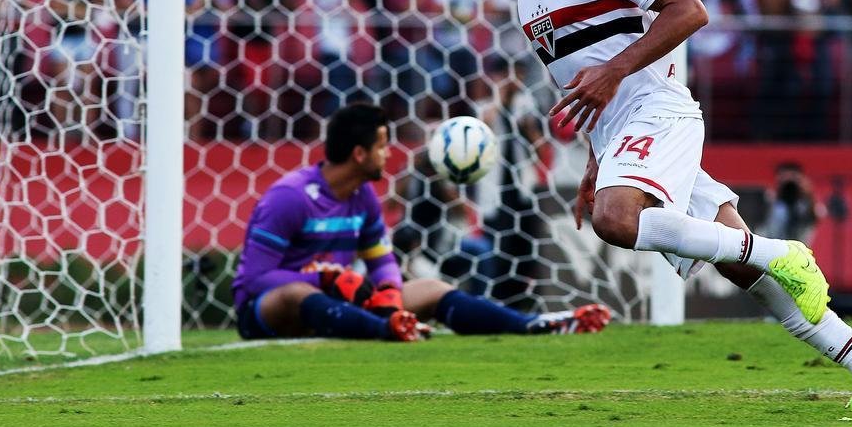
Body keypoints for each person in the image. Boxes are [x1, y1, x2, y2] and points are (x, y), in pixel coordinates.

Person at [475, 0, 852, 421]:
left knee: (617, 220)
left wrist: (615, 72)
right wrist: (596, 161)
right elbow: (585, 79)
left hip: (659, 112)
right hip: (621, 133)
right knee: (740, 267)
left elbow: (690, 10)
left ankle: (784, 250)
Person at [231, 103, 611, 342]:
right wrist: (323, 279)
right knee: (300, 296)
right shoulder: (289, 197)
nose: (388, 154)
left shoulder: (362, 197)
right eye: (382, 146)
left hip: (339, 300)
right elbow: (254, 279)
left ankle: (530, 325)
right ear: (360, 154)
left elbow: (381, 262)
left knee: (429, 287)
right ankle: (386, 332)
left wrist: (390, 297)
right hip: (268, 310)